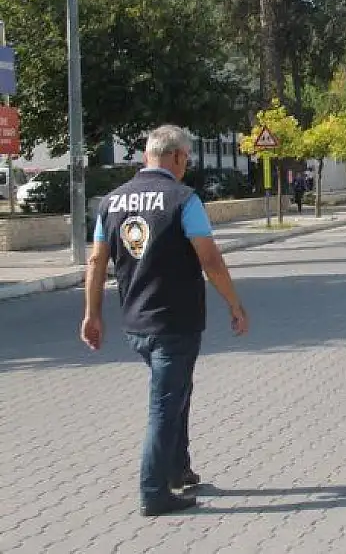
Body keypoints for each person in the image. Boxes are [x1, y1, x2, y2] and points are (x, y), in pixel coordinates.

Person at [81, 124, 250, 517]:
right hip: (175, 323)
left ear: (146, 157)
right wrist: (235, 304)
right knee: (164, 404)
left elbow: (96, 261)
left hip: (135, 324)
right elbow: (210, 259)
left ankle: (178, 468)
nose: (186, 166)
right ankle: (154, 491)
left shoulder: (112, 202)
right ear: (175, 157)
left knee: (176, 393)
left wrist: (92, 314)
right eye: (186, 159)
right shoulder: (183, 199)